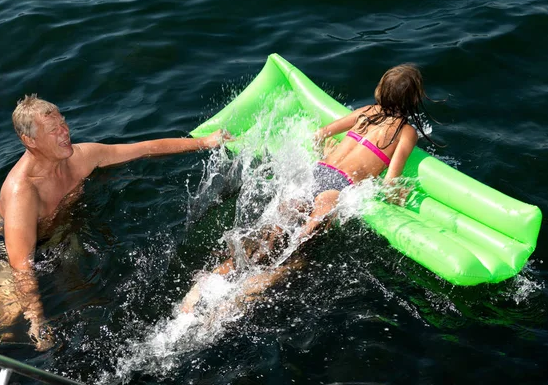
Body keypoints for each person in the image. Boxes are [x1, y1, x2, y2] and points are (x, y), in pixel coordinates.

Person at [182, 63, 435, 310]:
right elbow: (390, 181)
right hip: (337, 187)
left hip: (315, 173)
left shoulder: (366, 112)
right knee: (298, 256)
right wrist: (398, 195)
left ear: (381, 90)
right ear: (414, 99)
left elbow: (320, 134)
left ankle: (205, 285)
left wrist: (325, 153)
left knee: (268, 238)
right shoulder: (406, 132)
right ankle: (236, 299)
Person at [0, 94, 232, 350]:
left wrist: (205, 142)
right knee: (8, 327)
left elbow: (143, 149)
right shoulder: (23, 193)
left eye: (63, 123)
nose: (65, 132)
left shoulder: (79, 157)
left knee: (87, 298)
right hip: (7, 253)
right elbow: (21, 266)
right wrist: (36, 322)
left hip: (61, 233)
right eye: (54, 130)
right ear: (30, 141)